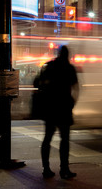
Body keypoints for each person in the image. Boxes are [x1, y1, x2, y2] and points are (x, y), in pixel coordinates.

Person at [38, 45, 79, 179]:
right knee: (65, 139)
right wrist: (73, 103)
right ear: (68, 55)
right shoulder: (70, 68)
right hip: (64, 107)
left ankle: (46, 168)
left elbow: (37, 83)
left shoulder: (49, 66)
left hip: (50, 107)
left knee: (47, 138)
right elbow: (76, 88)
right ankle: (64, 169)